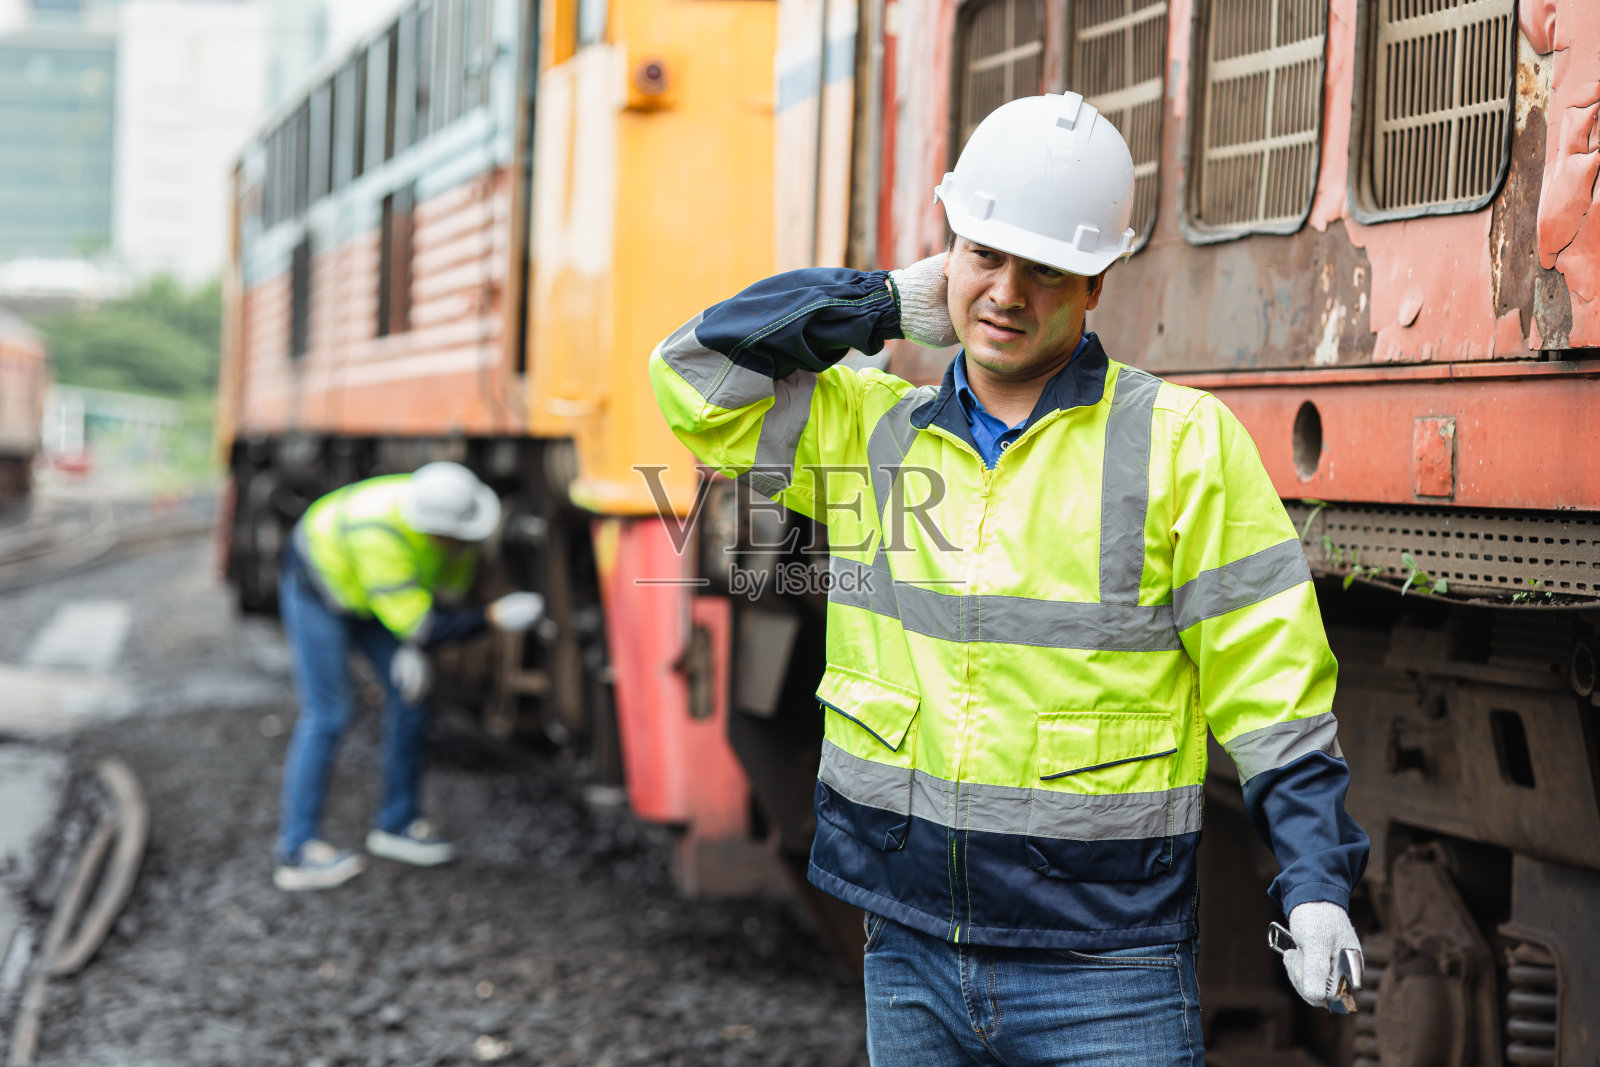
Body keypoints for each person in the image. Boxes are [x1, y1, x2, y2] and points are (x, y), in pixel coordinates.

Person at [650, 93, 1369, 1063]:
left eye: (1044, 267)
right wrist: (883, 303)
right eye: (984, 254)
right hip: (908, 952)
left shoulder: (1182, 446)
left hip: (1106, 970)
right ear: (951, 249)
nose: (1005, 292)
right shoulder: (865, 429)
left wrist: (1316, 881)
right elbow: (692, 372)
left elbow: (1275, 694)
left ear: (1095, 283)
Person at [273, 461, 545, 891]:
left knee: (413, 697)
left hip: (376, 594)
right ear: (434, 531)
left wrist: (414, 646)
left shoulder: (452, 524)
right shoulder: (379, 536)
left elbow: (443, 598)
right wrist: (492, 617)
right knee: (328, 713)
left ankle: (396, 825)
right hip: (321, 588)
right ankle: (296, 851)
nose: (459, 545)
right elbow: (424, 624)